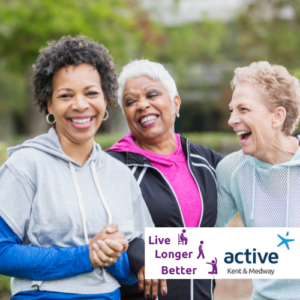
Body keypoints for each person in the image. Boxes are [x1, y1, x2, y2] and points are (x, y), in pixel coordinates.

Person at [0, 36, 155, 300]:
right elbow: (2, 253)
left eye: (91, 93)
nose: (80, 105)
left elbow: (131, 269)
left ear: (105, 99)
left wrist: (118, 257)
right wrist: (86, 255)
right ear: (49, 104)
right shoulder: (25, 165)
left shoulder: (120, 175)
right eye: (65, 95)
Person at [107, 59, 224, 300]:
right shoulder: (112, 165)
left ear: (175, 102)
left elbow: (260, 171)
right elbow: (102, 227)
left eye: (152, 94)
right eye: (130, 101)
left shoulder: (205, 160)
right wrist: (141, 254)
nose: (142, 105)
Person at [215, 61, 300, 300]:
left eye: (243, 109)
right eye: (232, 110)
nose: (232, 120)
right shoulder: (231, 169)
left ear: (278, 116)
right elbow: (202, 239)